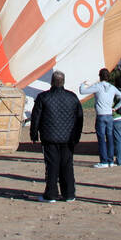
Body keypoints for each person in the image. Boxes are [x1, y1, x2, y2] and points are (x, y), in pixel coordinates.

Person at [29, 71, 84, 202]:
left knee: (52, 166)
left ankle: (51, 194)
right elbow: (80, 118)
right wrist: (76, 136)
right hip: (68, 138)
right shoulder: (72, 97)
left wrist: (34, 134)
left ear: (52, 82)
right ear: (63, 82)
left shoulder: (43, 97)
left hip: (49, 138)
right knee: (67, 165)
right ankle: (69, 194)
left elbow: (36, 117)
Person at [79, 69, 121, 167]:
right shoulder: (112, 88)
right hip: (109, 116)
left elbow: (82, 91)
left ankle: (104, 161)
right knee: (110, 138)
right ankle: (110, 161)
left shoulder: (98, 86)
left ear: (100, 76)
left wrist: (83, 84)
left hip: (101, 115)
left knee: (101, 139)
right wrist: (115, 108)